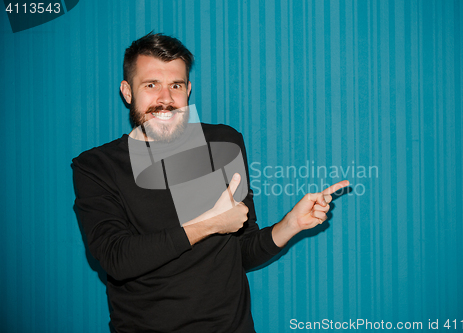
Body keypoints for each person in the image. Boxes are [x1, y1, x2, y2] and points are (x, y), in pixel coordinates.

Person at [72, 32, 349, 333]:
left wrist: (290, 224)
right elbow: (117, 259)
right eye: (151, 85)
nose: (165, 99)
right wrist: (208, 224)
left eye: (175, 85)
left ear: (188, 90)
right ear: (127, 91)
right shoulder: (96, 166)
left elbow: (241, 251)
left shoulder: (222, 143)